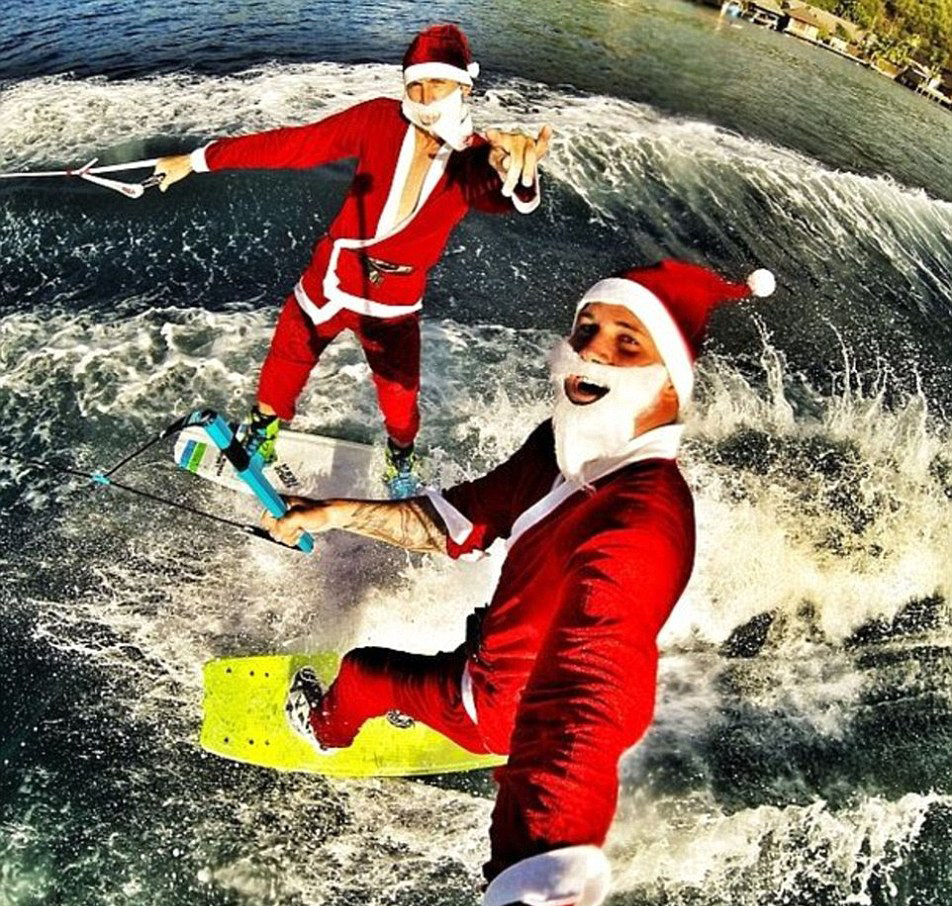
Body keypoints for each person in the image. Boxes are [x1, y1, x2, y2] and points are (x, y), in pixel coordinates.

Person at [264, 260, 776, 905]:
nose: (592, 350)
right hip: (496, 655)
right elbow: (460, 519)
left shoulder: (640, 522)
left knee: (364, 672)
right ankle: (429, 699)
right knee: (476, 629)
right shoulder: (564, 448)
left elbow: (584, 705)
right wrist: (335, 513)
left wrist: (538, 873)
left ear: (671, 380)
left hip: (498, 710)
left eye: (627, 342)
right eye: (587, 328)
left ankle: (325, 731)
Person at [153, 24, 551, 498]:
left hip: (393, 302)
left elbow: (498, 195)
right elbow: (294, 145)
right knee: (284, 362)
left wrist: (515, 173)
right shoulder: (378, 120)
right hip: (332, 276)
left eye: (438, 83)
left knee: (400, 404)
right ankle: (263, 432)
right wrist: (197, 160)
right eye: (416, 84)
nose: (426, 97)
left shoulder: (477, 159)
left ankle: (400, 458)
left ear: (465, 86)